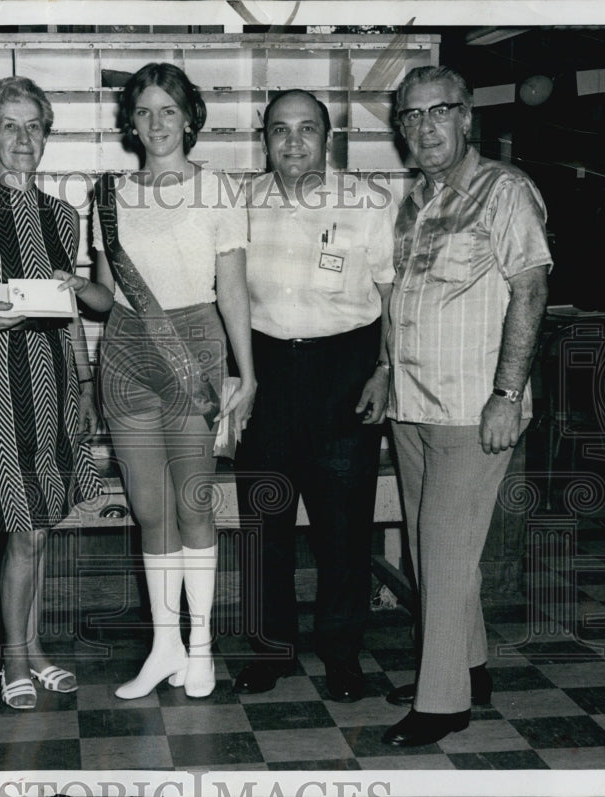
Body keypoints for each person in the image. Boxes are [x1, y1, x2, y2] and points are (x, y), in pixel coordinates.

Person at [382, 65, 551, 746]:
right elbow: (404, 299)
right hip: (411, 401)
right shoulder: (414, 198)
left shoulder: (504, 190)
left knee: (446, 550)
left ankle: (444, 701)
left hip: (473, 404)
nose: (424, 127)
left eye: (437, 112)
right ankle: (468, 666)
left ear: (466, 117)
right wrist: (381, 371)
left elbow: (531, 292)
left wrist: (507, 395)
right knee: (433, 552)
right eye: (411, 116)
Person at [0, 77, 105, 710]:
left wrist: (85, 386)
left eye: (34, 125)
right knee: (24, 529)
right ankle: (14, 660)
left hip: (56, 379)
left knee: (42, 525)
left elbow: (70, 311)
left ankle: (31, 650)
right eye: (10, 125)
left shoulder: (63, 215)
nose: (23, 137)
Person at [90, 63, 257, 700]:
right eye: (144, 111)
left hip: (195, 345)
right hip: (126, 351)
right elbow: (105, 296)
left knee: (193, 503)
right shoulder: (109, 194)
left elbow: (234, 288)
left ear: (190, 117)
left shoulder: (218, 191)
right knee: (149, 508)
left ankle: (202, 649)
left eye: (168, 110)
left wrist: (247, 372)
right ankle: (164, 647)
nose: (156, 123)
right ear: (129, 123)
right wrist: (67, 289)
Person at [232, 91, 395, 702]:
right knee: (264, 522)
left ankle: (343, 653)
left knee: (344, 528)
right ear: (264, 138)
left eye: (306, 129)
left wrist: (385, 370)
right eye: (280, 130)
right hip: (265, 373)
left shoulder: (370, 203)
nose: (293, 142)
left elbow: (392, 296)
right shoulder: (240, 203)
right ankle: (272, 649)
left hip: (345, 373)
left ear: (328, 137)